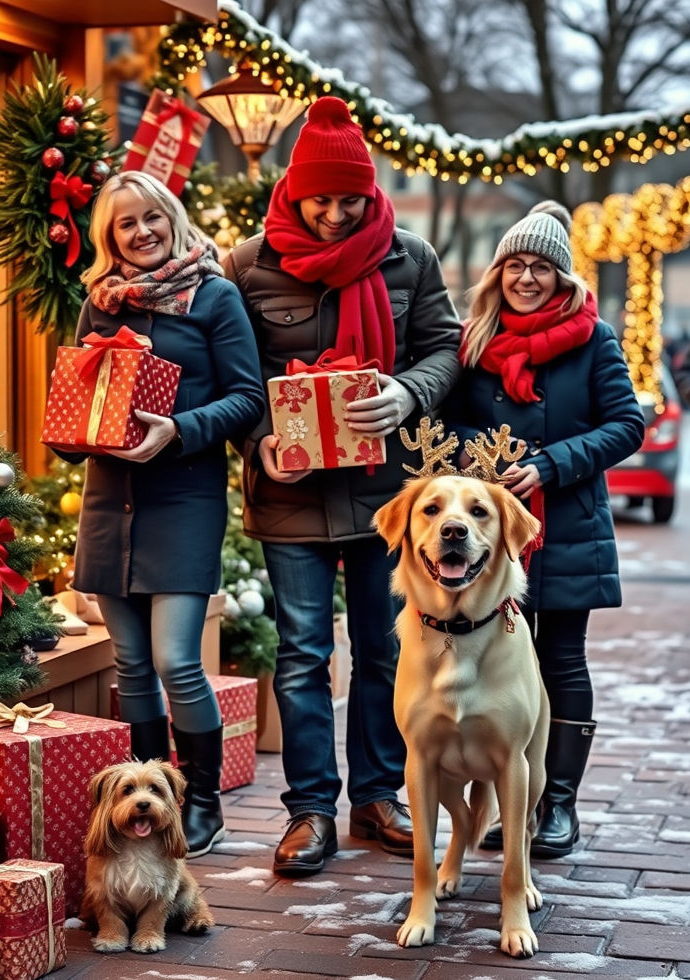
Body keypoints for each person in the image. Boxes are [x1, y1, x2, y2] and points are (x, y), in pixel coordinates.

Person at [223, 96, 462, 876]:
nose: (333, 213)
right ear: (294, 190)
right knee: (299, 653)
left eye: (348, 198)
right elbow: (234, 376)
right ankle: (309, 812)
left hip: (387, 495)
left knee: (384, 648)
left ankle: (377, 796)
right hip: (290, 496)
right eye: (320, 198)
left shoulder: (410, 257)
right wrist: (262, 442)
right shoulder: (248, 264)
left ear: (369, 192)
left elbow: (445, 349)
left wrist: (410, 393)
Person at [69, 170, 266, 858]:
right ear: (110, 235)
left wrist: (179, 429)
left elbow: (248, 397)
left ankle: (201, 801)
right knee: (129, 664)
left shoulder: (214, 296)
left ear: (172, 219)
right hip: (108, 501)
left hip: (183, 497)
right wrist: (74, 425)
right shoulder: (100, 302)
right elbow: (84, 390)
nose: (142, 231)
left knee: (176, 660)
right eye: (126, 223)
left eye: (152, 217)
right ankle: (148, 802)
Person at [444, 200, 644, 858]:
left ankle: (558, 804)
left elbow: (626, 424)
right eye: (515, 266)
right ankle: (512, 803)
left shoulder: (595, 339)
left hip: (565, 527)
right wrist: (485, 451)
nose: (526, 278)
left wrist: (550, 464)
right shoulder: (473, 340)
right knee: (501, 669)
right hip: (492, 537)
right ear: (498, 272)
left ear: (564, 278)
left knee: (559, 661)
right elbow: (449, 422)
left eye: (541, 268)